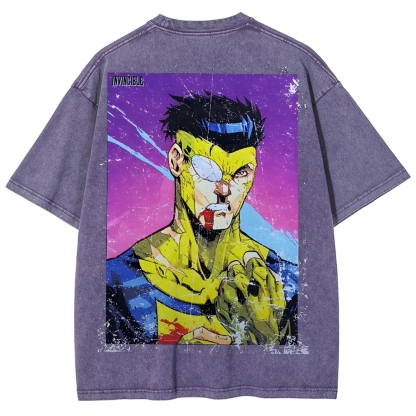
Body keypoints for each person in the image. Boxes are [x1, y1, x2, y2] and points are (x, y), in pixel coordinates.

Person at [106, 91, 298, 345]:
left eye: (241, 173)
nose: (224, 190)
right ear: (177, 161)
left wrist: (265, 338)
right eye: (208, 169)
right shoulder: (116, 284)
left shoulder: (287, 284)